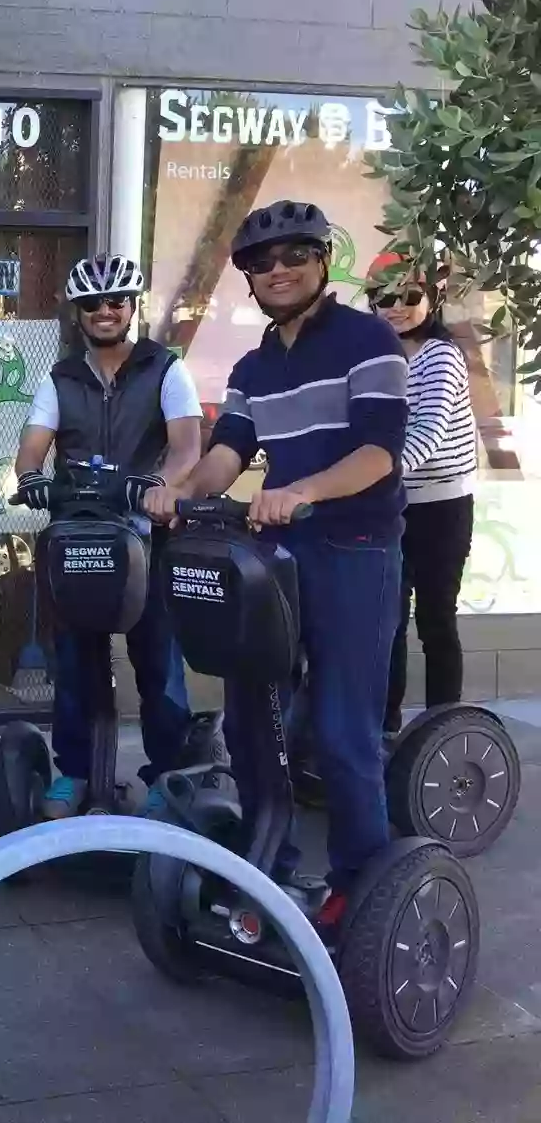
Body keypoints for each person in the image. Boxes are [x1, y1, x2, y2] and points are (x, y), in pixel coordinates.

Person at [144, 201, 408, 929]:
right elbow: (227, 450)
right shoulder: (254, 365)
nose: (279, 270)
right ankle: (270, 866)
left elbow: (380, 450)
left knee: (340, 726)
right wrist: (182, 491)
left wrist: (301, 490)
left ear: (322, 262)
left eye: (294, 255)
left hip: (355, 550)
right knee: (252, 718)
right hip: (280, 556)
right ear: (250, 281)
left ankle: (363, 890)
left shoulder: (368, 338)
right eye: (263, 263)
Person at [12, 253, 203, 818]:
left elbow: (187, 445)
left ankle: (167, 777)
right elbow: (35, 441)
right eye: (92, 304)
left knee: (158, 665)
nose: (104, 311)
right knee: (75, 661)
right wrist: (29, 478)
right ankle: (74, 771)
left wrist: (159, 487)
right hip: (79, 536)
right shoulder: (61, 377)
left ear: (131, 307)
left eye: (115, 301)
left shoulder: (165, 368)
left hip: (145, 537)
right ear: (78, 314)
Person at [367, 251, 477, 732]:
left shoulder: (442, 355)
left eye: (409, 296)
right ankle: (386, 726)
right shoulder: (376, 357)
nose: (396, 307)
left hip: (442, 507)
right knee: (388, 622)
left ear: (433, 298)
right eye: (384, 297)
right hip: (391, 504)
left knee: (435, 620)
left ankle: (441, 730)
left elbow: (428, 432)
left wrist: (368, 478)